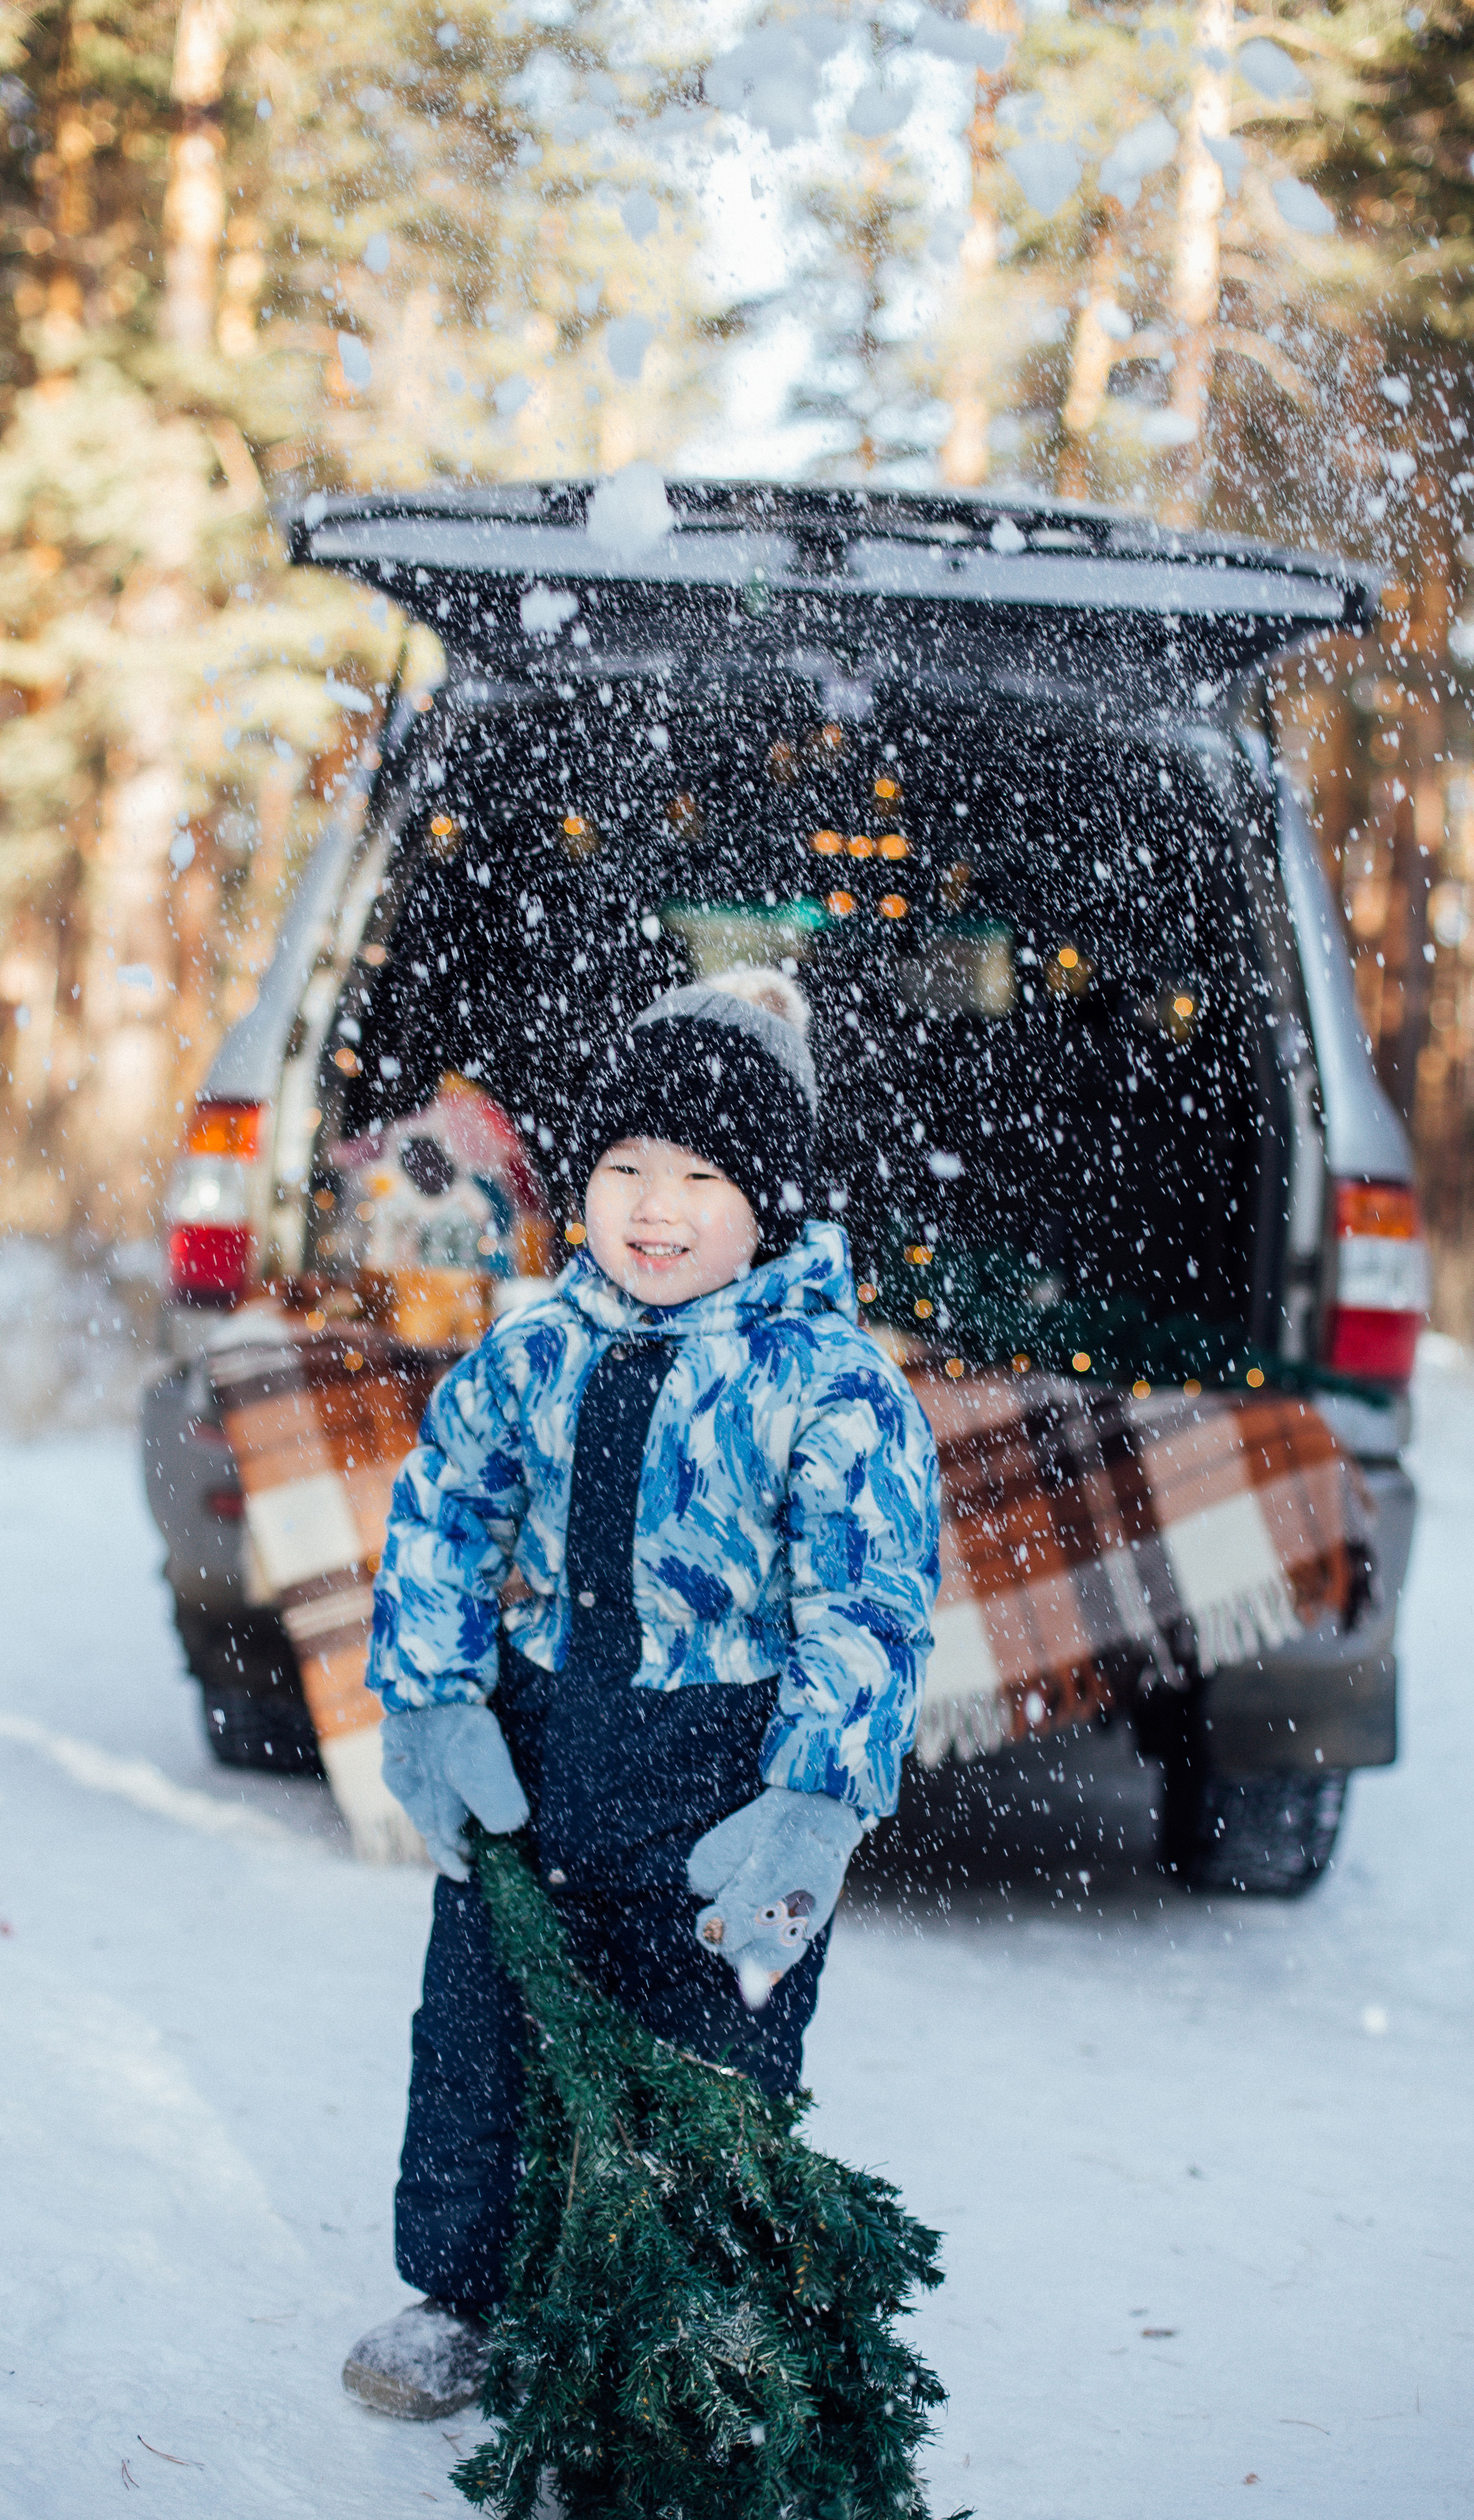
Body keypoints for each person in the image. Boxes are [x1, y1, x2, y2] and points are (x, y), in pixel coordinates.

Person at [341, 969, 942, 2420]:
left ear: (771, 1203)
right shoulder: (535, 1347)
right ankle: (460, 2296)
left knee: (706, 2062)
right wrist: (429, 1696)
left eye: (696, 1175)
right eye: (620, 1168)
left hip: (720, 1777)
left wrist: (813, 1801)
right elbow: (444, 1511)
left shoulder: (832, 1384)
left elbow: (866, 1603)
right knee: (479, 2028)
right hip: (538, 1751)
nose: (650, 1205)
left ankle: (685, 2325)